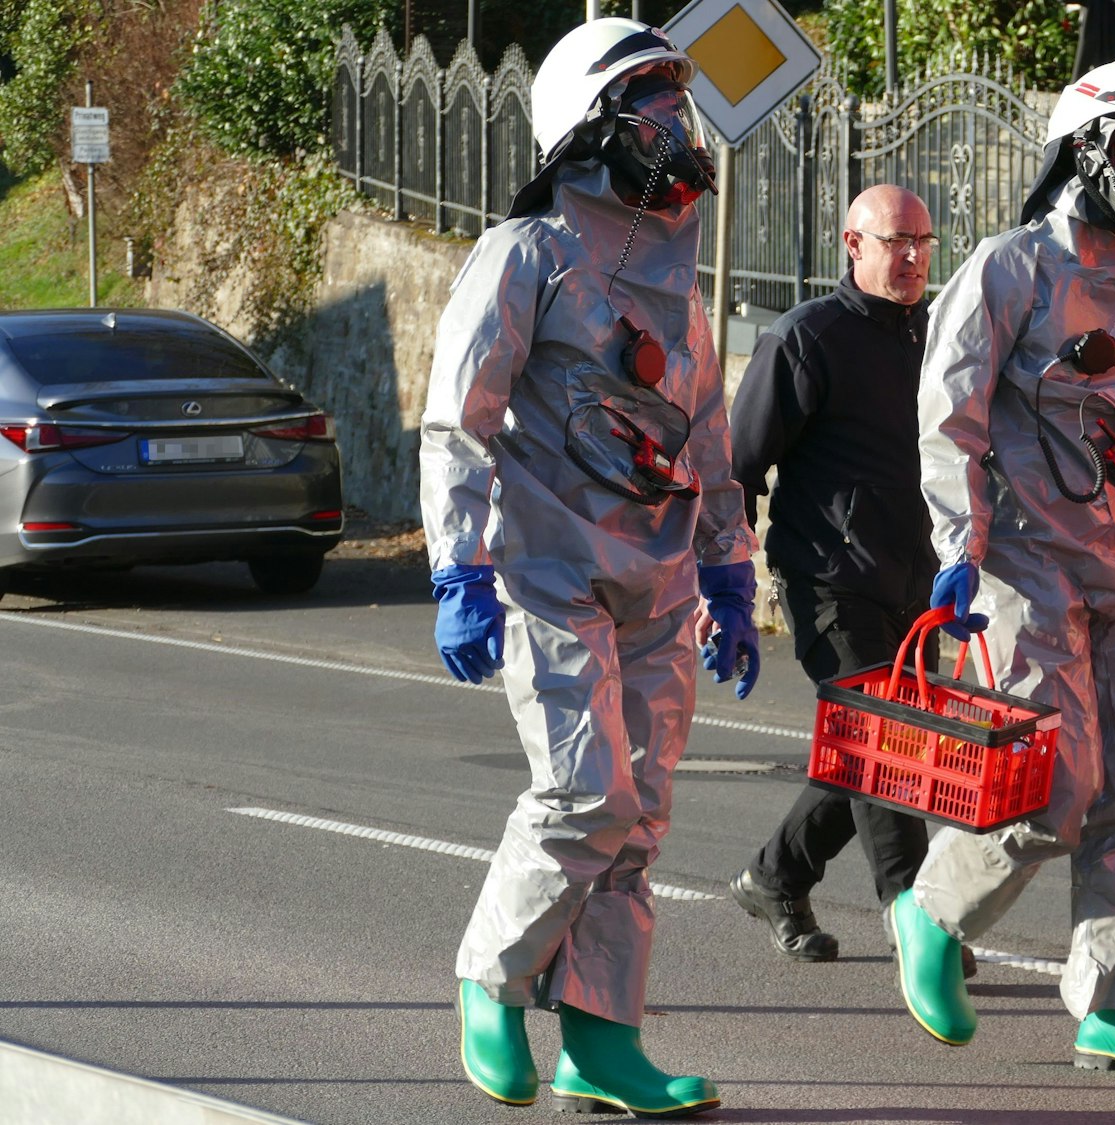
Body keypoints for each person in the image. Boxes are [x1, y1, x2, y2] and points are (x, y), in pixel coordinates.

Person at [421, 17, 757, 1119]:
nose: (673, 128)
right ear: (590, 128)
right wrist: (458, 566)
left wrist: (727, 570)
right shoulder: (527, 255)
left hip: (655, 576)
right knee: (583, 790)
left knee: (640, 814)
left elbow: (703, 430)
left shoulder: (674, 277)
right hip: (546, 568)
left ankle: (604, 1044)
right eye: (651, 107)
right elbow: (456, 418)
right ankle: (489, 976)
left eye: (677, 105)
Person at [884, 57, 1115, 1078]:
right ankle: (931, 910)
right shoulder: (1008, 270)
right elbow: (944, 416)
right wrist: (959, 545)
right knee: (1051, 783)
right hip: (1025, 564)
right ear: (1084, 153)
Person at [723, 186, 981, 981]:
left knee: (866, 752)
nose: (910, 257)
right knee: (888, 744)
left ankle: (777, 877)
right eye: (894, 240)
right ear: (852, 244)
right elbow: (737, 462)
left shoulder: (939, 339)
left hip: (917, 586)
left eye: (923, 242)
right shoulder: (809, 339)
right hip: (827, 578)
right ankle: (917, 916)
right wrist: (725, 581)